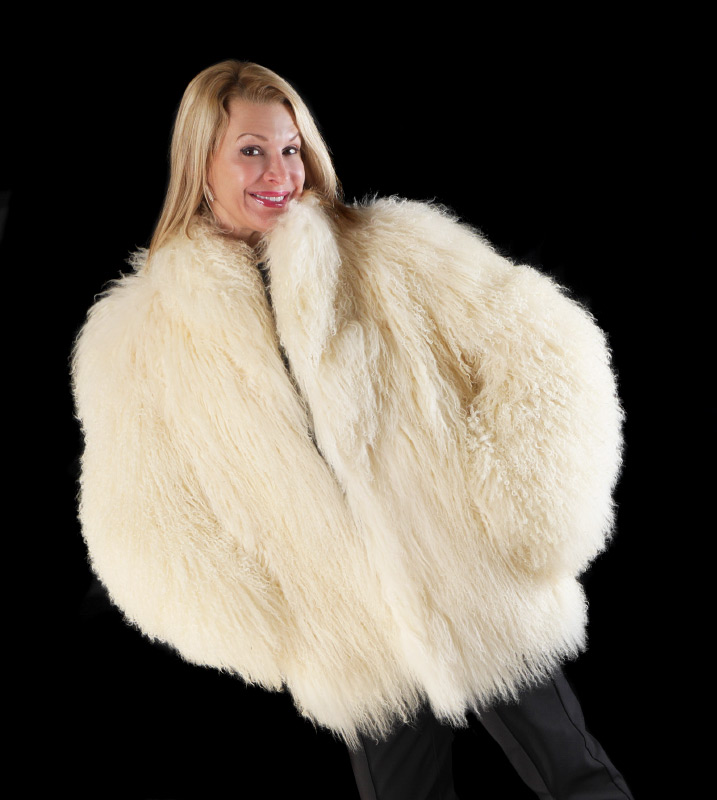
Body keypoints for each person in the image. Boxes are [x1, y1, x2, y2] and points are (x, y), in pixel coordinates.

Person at [71, 60, 633, 799]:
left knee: (577, 779)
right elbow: (136, 512)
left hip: (472, 583)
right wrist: (272, 627)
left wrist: (522, 511)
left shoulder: (390, 248)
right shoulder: (141, 335)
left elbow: (542, 344)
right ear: (200, 162)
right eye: (251, 150)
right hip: (351, 638)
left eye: (291, 148)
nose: (279, 172)